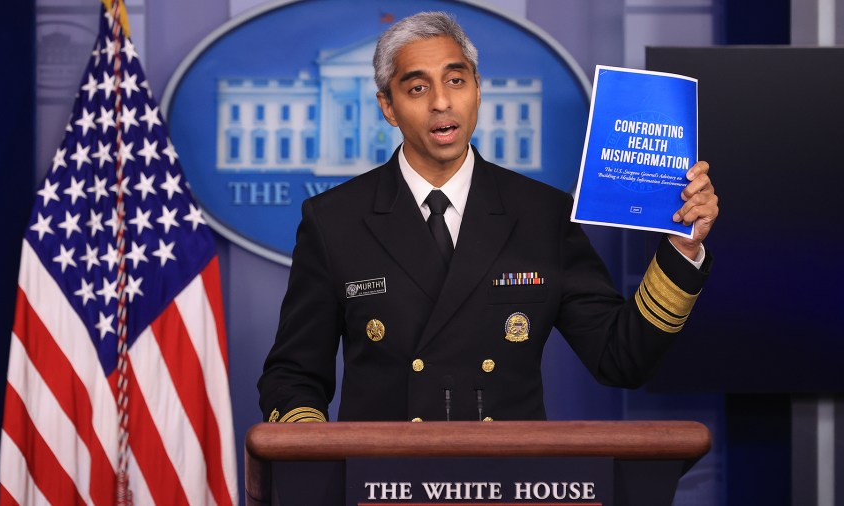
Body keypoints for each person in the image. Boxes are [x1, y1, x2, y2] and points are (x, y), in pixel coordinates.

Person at [257, 11, 718, 423]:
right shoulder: (334, 219)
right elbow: (293, 376)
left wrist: (683, 249)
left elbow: (621, 359)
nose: (441, 102)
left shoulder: (543, 214)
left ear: (478, 89)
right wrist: (315, 457)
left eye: (455, 81)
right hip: (382, 482)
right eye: (418, 88)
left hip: (510, 483)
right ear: (388, 107)